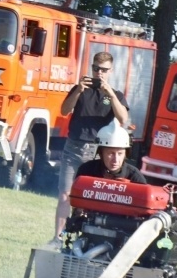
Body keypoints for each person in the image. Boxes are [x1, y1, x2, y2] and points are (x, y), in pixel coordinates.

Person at [53, 52, 129, 244]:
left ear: (110, 71)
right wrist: (78, 89)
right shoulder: (81, 89)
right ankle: (58, 237)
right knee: (65, 194)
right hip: (73, 147)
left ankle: (83, 239)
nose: (99, 73)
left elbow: (123, 119)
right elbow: (64, 110)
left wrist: (110, 93)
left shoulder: (116, 95)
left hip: (97, 152)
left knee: (88, 200)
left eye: (103, 70)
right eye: (96, 68)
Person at [74, 121, 145, 183]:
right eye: (111, 153)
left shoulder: (134, 177)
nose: (115, 160)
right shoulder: (86, 171)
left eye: (120, 154)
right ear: (100, 153)